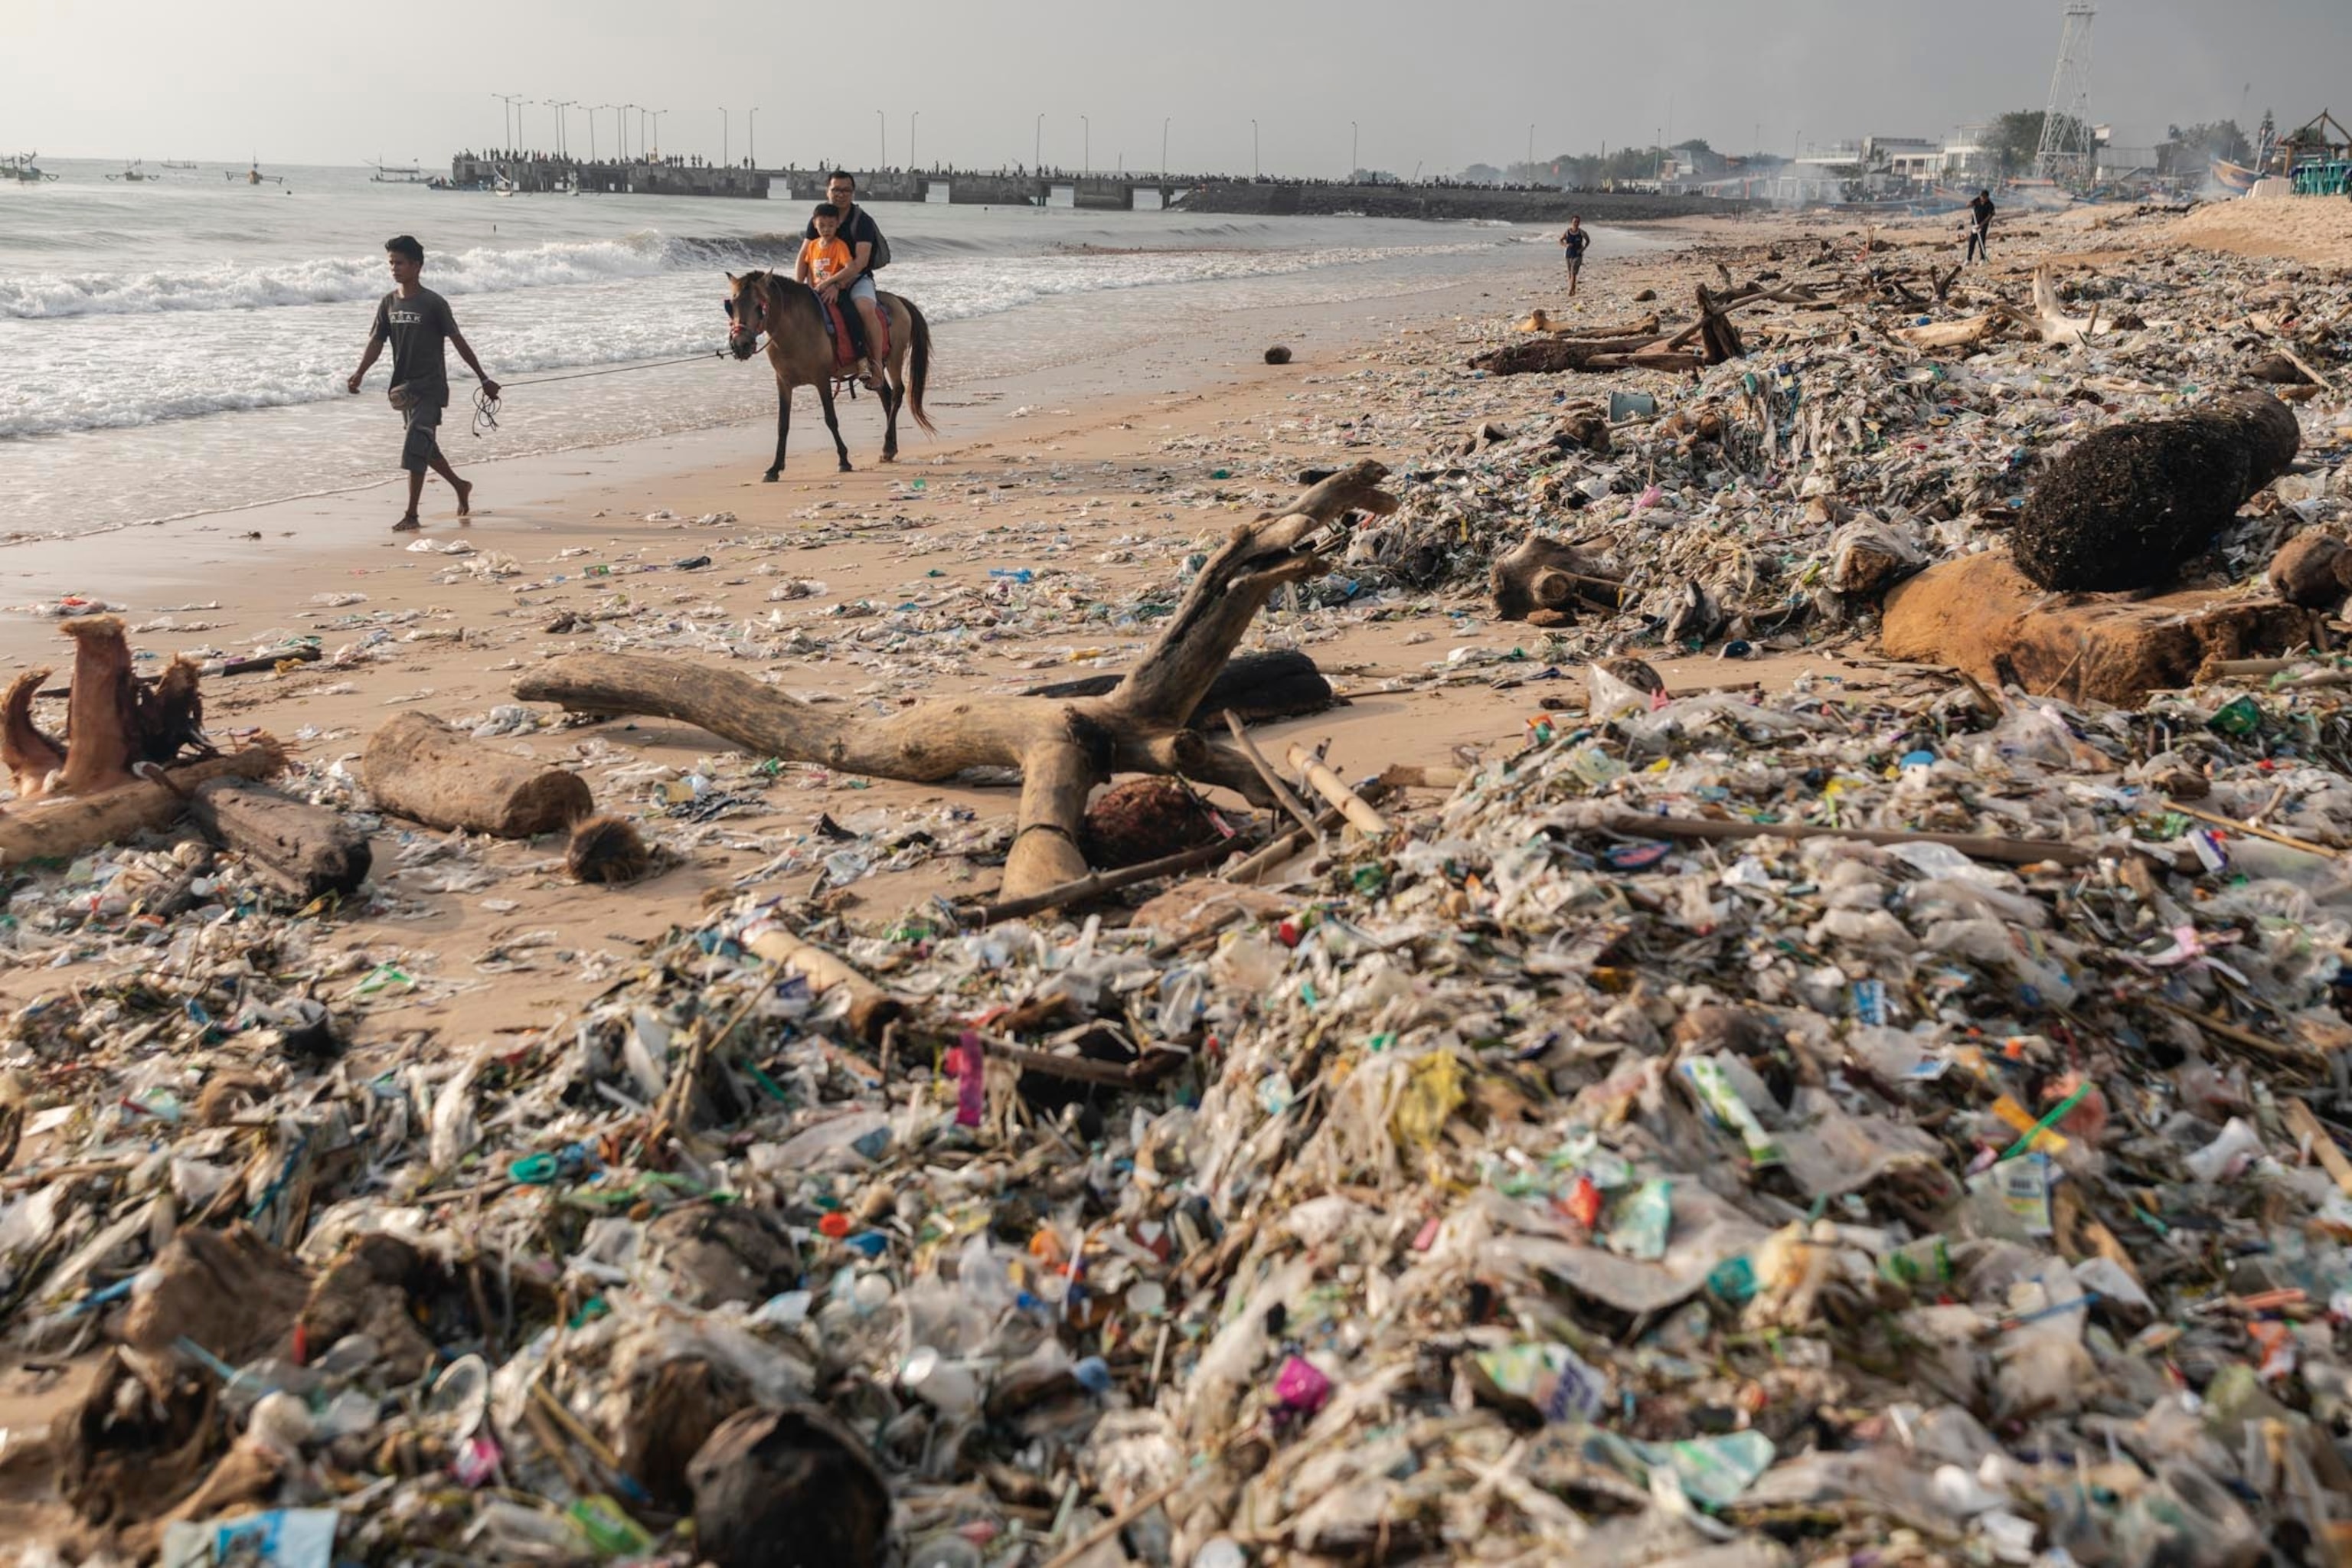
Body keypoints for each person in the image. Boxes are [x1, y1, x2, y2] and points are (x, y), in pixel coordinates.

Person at [346, 235, 498, 531]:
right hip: (404, 390)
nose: (394, 268)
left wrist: (484, 378)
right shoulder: (388, 303)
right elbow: (376, 342)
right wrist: (360, 372)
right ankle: (460, 485)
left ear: (417, 265)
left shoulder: (433, 303)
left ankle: (412, 515)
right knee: (425, 446)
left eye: (400, 263)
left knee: (415, 444)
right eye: (391, 263)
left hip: (431, 386)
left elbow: (458, 342)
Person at [803, 171, 888, 389]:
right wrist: (799, 286)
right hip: (822, 281)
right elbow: (803, 256)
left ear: (853, 193)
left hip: (857, 279)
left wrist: (837, 285)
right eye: (836, 190)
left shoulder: (862, 221)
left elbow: (859, 262)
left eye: (846, 190)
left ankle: (876, 366)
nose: (840, 195)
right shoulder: (819, 219)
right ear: (827, 191)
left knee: (864, 309)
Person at [797, 202, 870, 371]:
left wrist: (830, 283)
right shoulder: (813, 245)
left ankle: (862, 360)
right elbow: (809, 267)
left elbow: (850, 267)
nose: (826, 229)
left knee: (851, 316)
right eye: (822, 225)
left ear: (838, 224)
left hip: (838, 291)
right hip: (815, 291)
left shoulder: (840, 246)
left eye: (831, 225)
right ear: (814, 224)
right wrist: (806, 286)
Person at [1559, 215, 1590, 296]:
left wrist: (1583, 249)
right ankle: (1573, 288)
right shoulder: (1567, 232)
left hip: (1578, 255)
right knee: (1570, 273)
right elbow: (1560, 240)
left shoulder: (1582, 232)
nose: (1576, 223)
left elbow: (1588, 241)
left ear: (1579, 223)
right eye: (1574, 222)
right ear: (1571, 222)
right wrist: (1566, 245)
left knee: (1573, 272)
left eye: (1577, 222)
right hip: (1568, 254)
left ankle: (1570, 290)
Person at [1966, 189, 1995, 264]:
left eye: (1984, 197)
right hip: (1975, 224)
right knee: (1972, 241)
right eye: (1981, 197)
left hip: (1983, 226)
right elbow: (1970, 203)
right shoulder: (1977, 200)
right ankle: (1969, 259)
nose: (1982, 199)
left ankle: (1983, 259)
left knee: (1981, 242)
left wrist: (1981, 225)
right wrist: (1970, 204)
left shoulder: (1990, 205)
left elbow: (1989, 217)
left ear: (1987, 197)